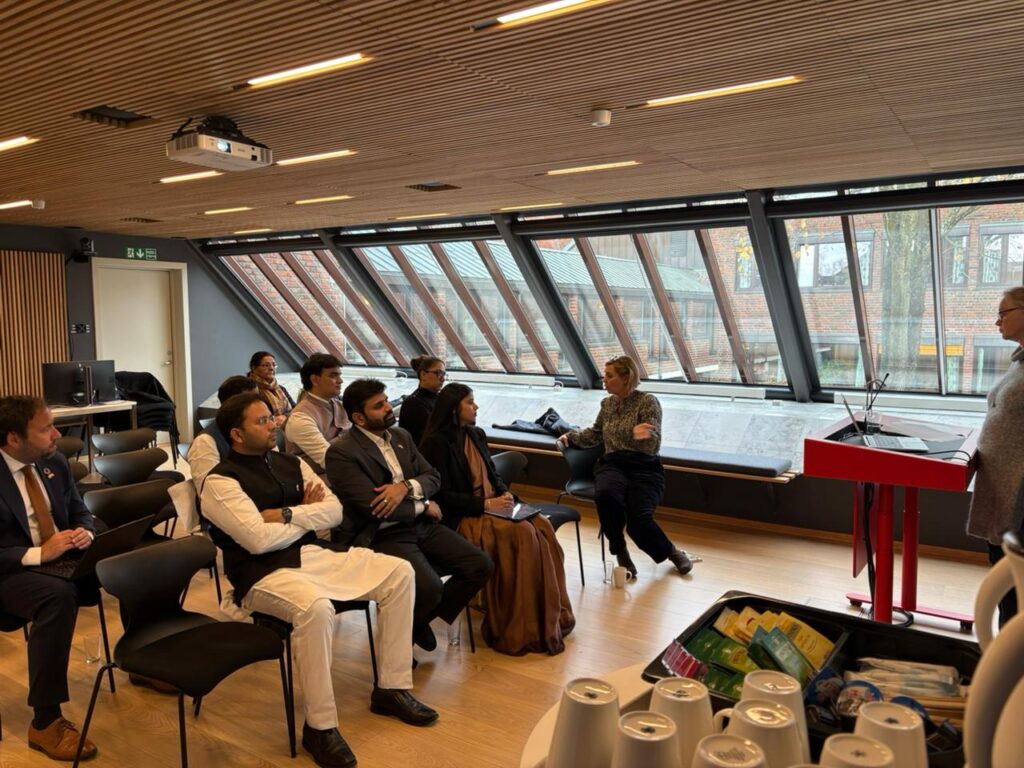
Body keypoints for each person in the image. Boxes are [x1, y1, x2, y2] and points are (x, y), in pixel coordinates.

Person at [202, 392, 437, 768]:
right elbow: (256, 541)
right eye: (262, 421)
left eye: (272, 417)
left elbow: (334, 512)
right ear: (236, 434)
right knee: (316, 608)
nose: (274, 424)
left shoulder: (291, 462)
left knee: (399, 572)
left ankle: (391, 688)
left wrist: (287, 514)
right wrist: (306, 512)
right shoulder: (220, 482)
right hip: (261, 574)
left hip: (312, 554)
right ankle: (320, 726)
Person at [326, 379, 492, 653]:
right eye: (378, 406)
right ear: (359, 418)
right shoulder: (342, 452)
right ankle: (401, 644)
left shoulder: (401, 436)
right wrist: (423, 505)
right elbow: (374, 507)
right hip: (381, 533)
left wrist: (404, 487)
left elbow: (433, 477)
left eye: (386, 400)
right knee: (430, 587)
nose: (388, 407)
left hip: (420, 525)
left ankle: (416, 622)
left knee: (479, 565)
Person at [419, 383, 575, 655]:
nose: (476, 407)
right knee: (522, 534)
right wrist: (484, 504)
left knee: (542, 525)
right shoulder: (435, 443)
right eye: (470, 402)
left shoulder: (476, 434)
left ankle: (547, 615)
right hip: (462, 516)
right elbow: (441, 496)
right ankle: (521, 625)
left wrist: (505, 495)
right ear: (453, 408)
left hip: (492, 505)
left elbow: (494, 475)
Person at [0, 395, 98, 761]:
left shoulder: (52, 461)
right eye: (46, 429)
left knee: (130, 561)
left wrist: (85, 533)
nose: (57, 434)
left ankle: (142, 659)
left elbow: (79, 511)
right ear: (14, 438)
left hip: (59, 557)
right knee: (57, 596)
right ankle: (45, 721)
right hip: (11, 570)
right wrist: (41, 554)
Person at [557, 356, 693, 579]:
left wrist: (644, 435)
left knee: (638, 520)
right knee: (606, 495)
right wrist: (571, 437)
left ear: (626, 377)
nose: (604, 379)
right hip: (614, 464)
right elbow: (596, 433)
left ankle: (671, 552)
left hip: (645, 467)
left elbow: (654, 444)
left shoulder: (647, 402)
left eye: (609, 376)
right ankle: (620, 551)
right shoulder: (607, 404)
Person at [967, 286, 1024, 626]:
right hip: (1003, 495)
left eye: (1003, 313)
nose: (997, 321)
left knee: (1015, 593)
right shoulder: (1019, 362)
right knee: (1007, 590)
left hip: (1019, 503)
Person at [186, 375, 259, 493]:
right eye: (251, 402)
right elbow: (210, 491)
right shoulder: (205, 442)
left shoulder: (256, 430)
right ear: (231, 404)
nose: (259, 405)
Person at [284, 353, 350, 476]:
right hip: (319, 479)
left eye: (339, 375)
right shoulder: (300, 418)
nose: (340, 381)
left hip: (343, 469)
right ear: (315, 380)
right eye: (333, 375)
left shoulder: (339, 404)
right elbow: (330, 461)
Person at [397, 355, 446, 445]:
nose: (443, 379)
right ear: (423, 375)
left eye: (444, 374)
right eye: (439, 373)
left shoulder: (440, 398)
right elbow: (435, 435)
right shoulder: (413, 403)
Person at [248, 351, 295, 424]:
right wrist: (275, 419)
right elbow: (255, 417)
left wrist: (285, 417)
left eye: (274, 365)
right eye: (266, 365)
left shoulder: (281, 388)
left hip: (287, 424)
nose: (271, 368)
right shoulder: (251, 390)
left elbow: (295, 408)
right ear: (254, 368)